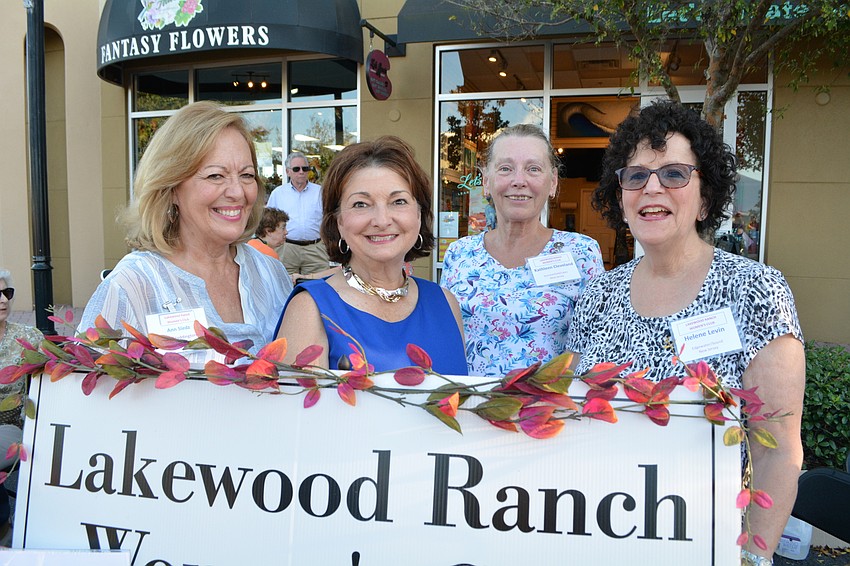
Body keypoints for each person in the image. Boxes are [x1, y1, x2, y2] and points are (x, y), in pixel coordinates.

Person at [565, 101, 804, 565]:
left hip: (707, 547)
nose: (651, 188)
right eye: (635, 176)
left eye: (674, 174)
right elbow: (576, 416)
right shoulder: (597, 295)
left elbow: (778, 451)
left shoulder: (754, 290)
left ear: (707, 198)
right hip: (599, 536)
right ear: (620, 197)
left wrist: (751, 557)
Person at [79, 101, 292, 359]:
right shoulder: (133, 285)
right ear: (171, 187)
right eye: (216, 176)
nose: (238, 192)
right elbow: (83, 389)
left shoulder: (270, 274)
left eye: (246, 175)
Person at [277, 136, 467, 375]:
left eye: (398, 201)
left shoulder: (446, 303)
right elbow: (296, 410)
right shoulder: (310, 309)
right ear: (339, 222)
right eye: (361, 204)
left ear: (419, 215)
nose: (382, 220)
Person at [440, 124, 604, 377]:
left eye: (533, 169)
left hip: (547, 411)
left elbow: (593, 348)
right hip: (470, 407)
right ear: (486, 181)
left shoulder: (581, 252)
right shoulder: (459, 254)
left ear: (552, 183)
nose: (519, 181)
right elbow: (447, 341)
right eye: (505, 169)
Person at [0, 269, 43, 536]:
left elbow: (53, 380)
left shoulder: (28, 338)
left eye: (7, 293)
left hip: (12, 428)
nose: (3, 299)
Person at [266, 152, 330, 276]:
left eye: (305, 168)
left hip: (315, 249)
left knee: (318, 287)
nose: (301, 172)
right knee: (284, 287)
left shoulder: (321, 192)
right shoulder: (278, 193)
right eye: (296, 169)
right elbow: (269, 221)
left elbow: (330, 218)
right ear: (288, 171)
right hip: (287, 248)